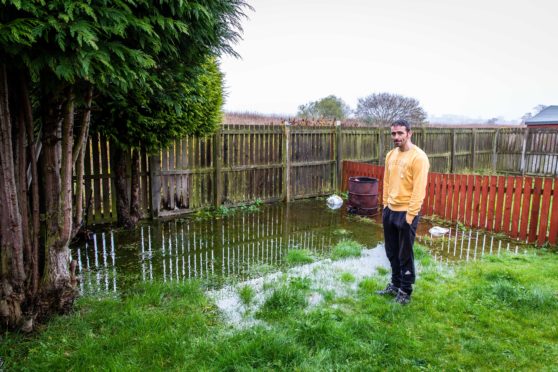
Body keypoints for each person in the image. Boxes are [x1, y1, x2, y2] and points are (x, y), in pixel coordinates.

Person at [377, 119, 429, 305]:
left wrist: (410, 215)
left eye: (400, 133)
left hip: (406, 212)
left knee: (404, 253)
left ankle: (406, 291)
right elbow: (386, 182)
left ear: (409, 133)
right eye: (393, 134)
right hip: (390, 210)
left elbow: (419, 189)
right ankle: (395, 284)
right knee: (391, 251)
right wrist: (385, 206)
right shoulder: (391, 155)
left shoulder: (419, 158)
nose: (396, 137)